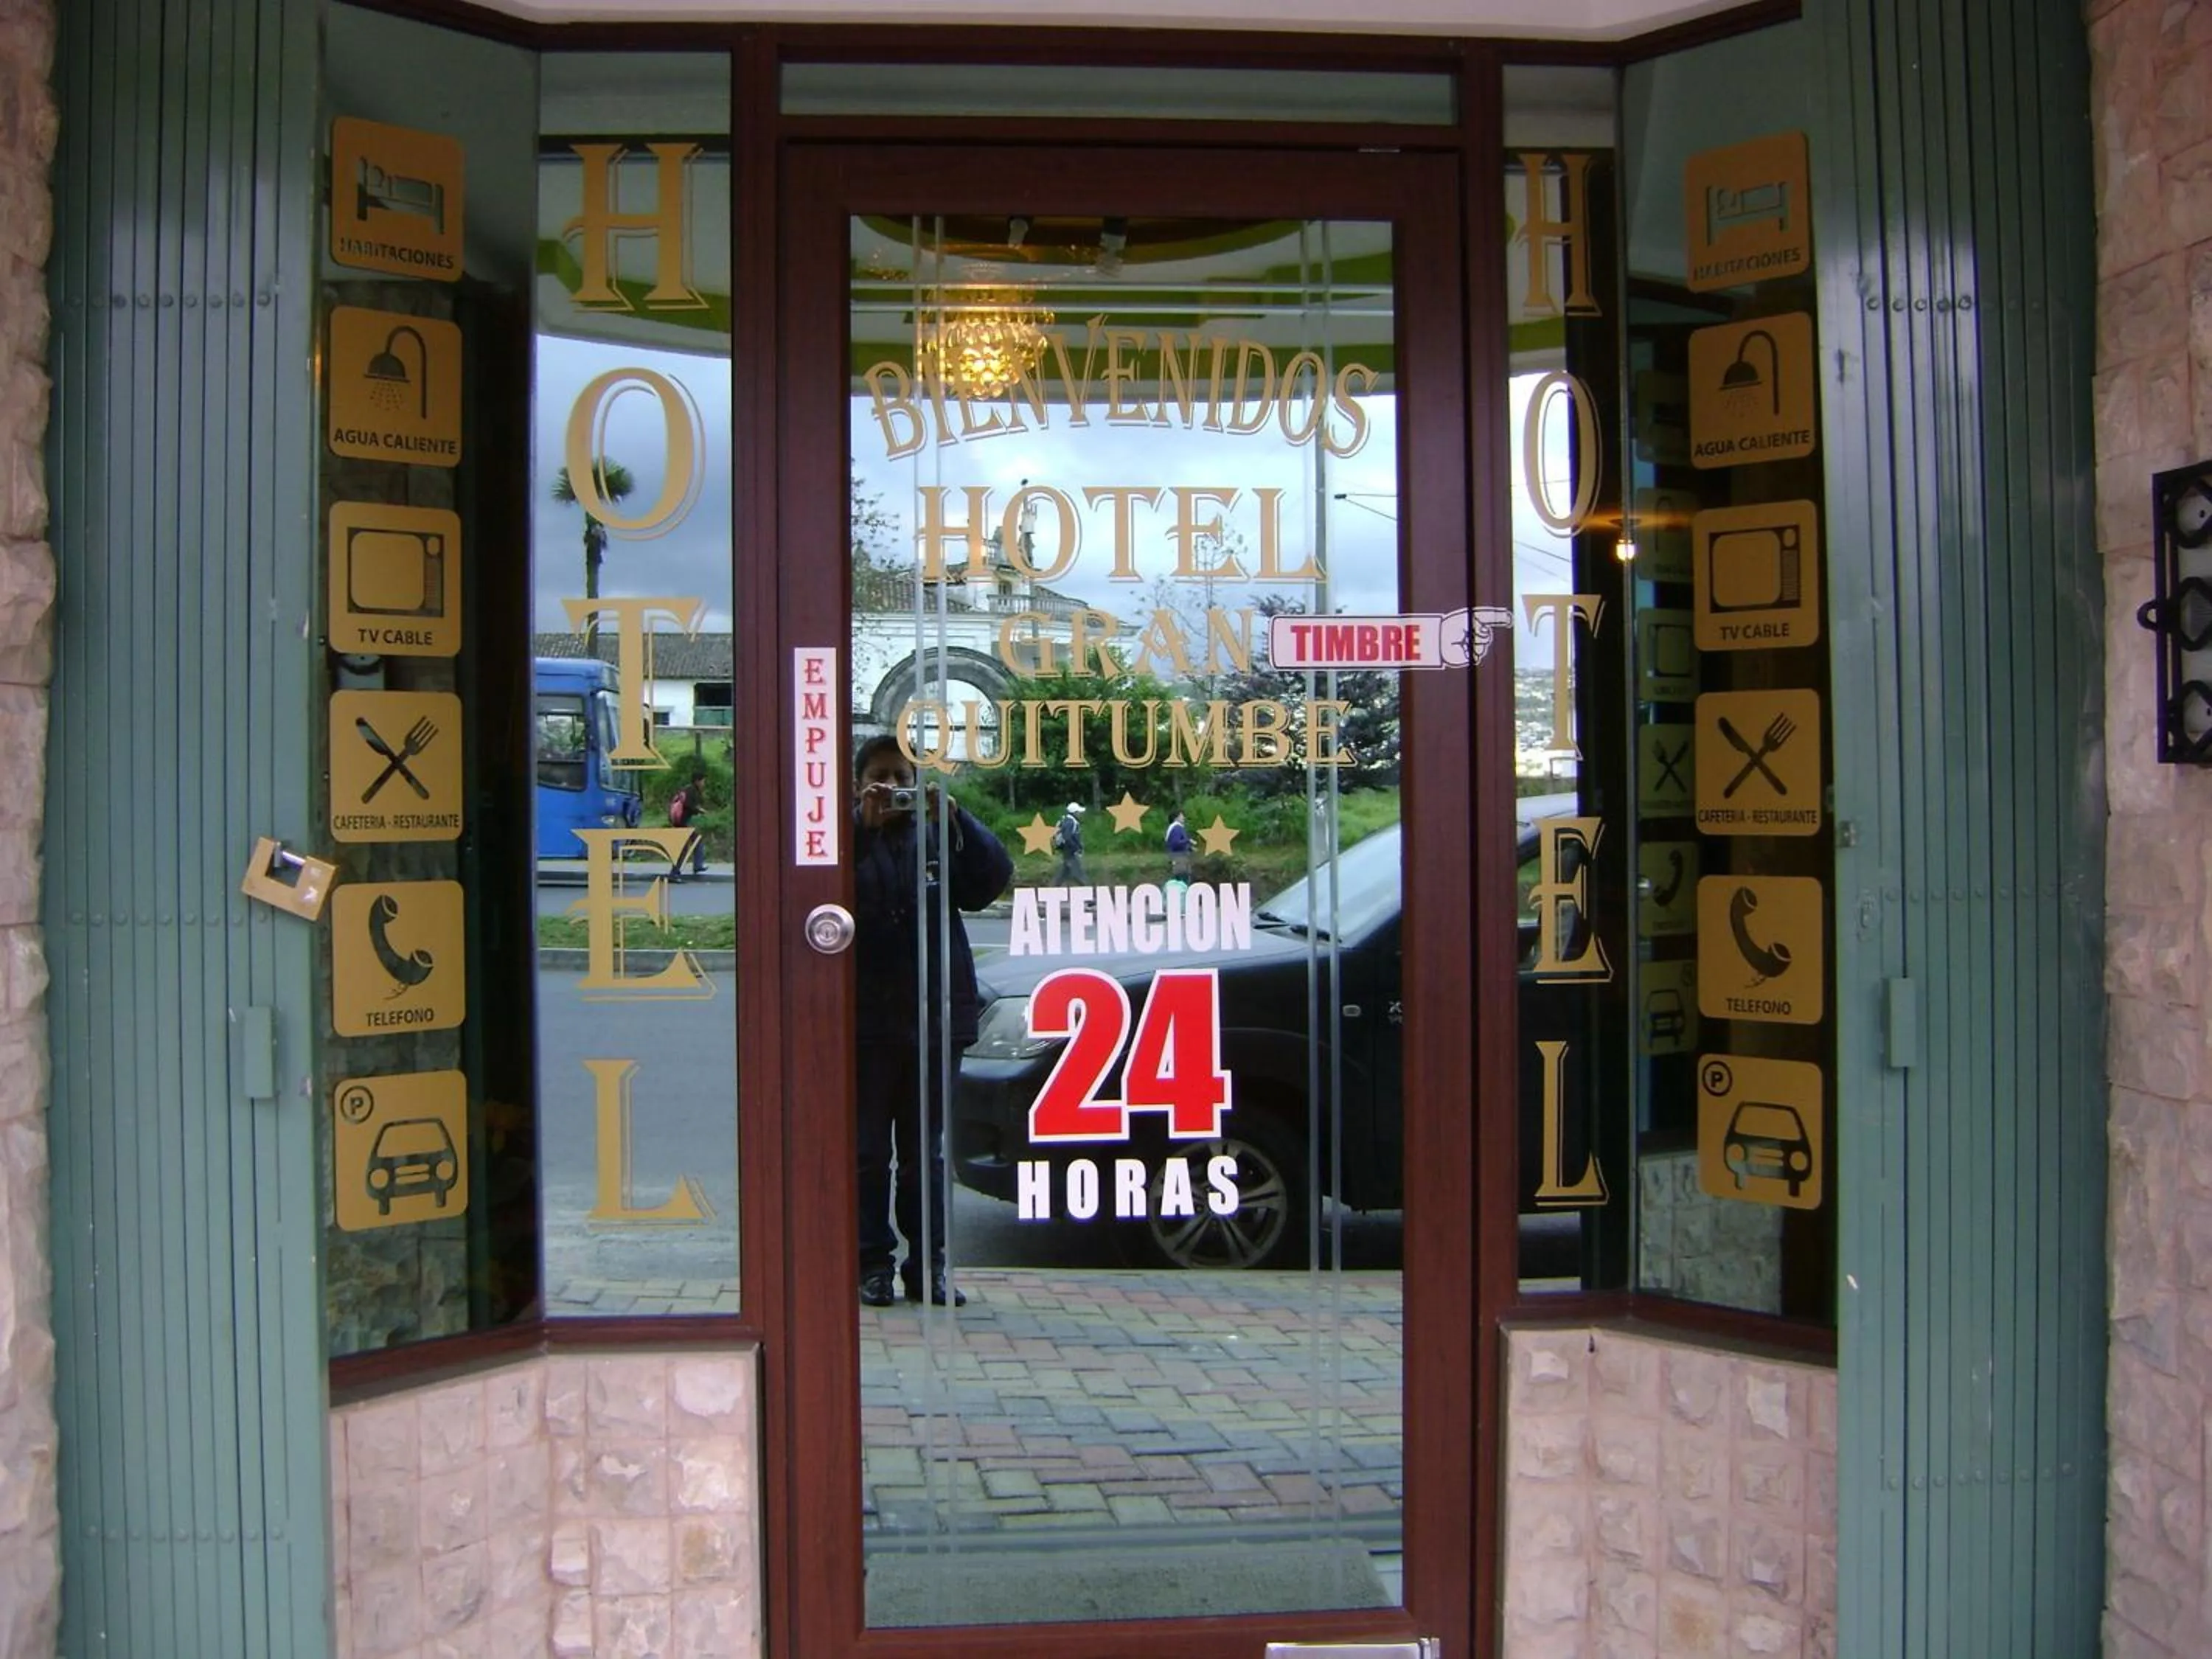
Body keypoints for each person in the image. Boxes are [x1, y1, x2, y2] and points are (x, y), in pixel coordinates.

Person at [850, 735, 1012, 1309]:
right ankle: (872, 1265)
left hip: (934, 1018)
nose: (892, 788)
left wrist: (956, 818)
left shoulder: (936, 834)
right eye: (880, 777)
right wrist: (862, 830)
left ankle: (931, 1268)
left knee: (927, 1155)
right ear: (859, 783)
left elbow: (991, 881)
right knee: (867, 1153)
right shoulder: (848, 838)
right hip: (866, 1023)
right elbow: (824, 898)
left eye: (901, 777)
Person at [665, 768, 709, 880]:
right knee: (683, 849)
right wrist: (699, 810)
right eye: (703, 781)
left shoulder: (687, 789)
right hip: (681, 824)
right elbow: (689, 805)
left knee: (696, 841)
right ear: (697, 781)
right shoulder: (691, 791)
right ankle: (674, 874)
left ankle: (697, 866)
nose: (704, 784)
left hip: (680, 823)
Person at [1052, 799, 1087, 883]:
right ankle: (1089, 891)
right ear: (1075, 813)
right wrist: (1076, 848)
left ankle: (1053, 888)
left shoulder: (1067, 820)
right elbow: (1067, 837)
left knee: (1064, 873)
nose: (1080, 814)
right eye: (1078, 812)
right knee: (1079, 874)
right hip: (1071, 851)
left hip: (1067, 850)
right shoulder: (1071, 822)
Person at [1164, 809, 1193, 883]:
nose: (1184, 817)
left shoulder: (1176, 828)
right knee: (1182, 879)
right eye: (1181, 816)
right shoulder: (1176, 828)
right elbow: (1176, 843)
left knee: (1182, 878)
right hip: (1179, 858)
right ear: (1176, 818)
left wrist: (1190, 848)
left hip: (1179, 857)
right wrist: (1188, 841)